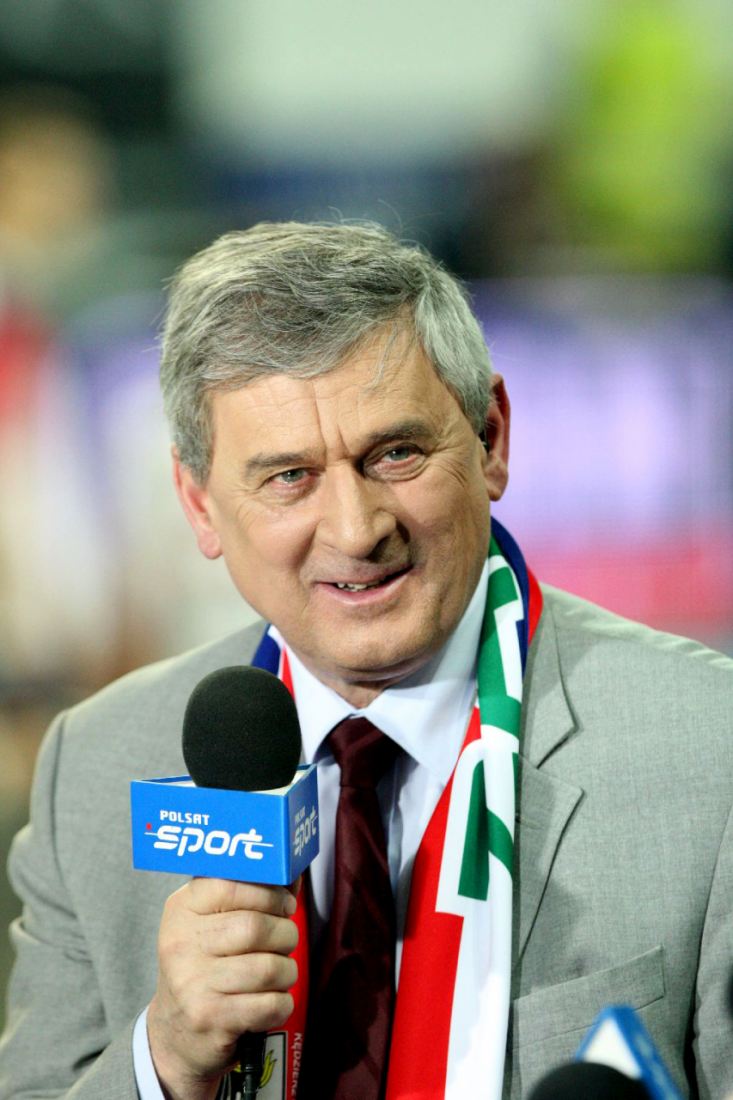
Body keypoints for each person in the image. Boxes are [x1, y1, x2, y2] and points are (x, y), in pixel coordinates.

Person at [1, 222, 732, 1100]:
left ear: (491, 439)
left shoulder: (710, 753)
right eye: (289, 477)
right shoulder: (94, 770)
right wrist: (161, 1061)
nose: (355, 531)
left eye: (395, 454)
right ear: (198, 504)